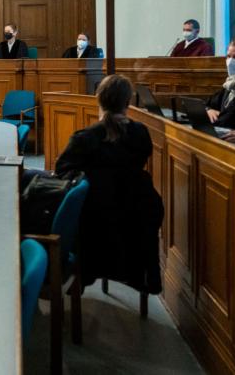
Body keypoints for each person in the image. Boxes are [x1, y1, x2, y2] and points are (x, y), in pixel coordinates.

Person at [53, 74, 163, 291]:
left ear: (99, 99)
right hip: (138, 207)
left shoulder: (85, 137)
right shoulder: (140, 132)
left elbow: (63, 170)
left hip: (95, 211)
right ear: (128, 102)